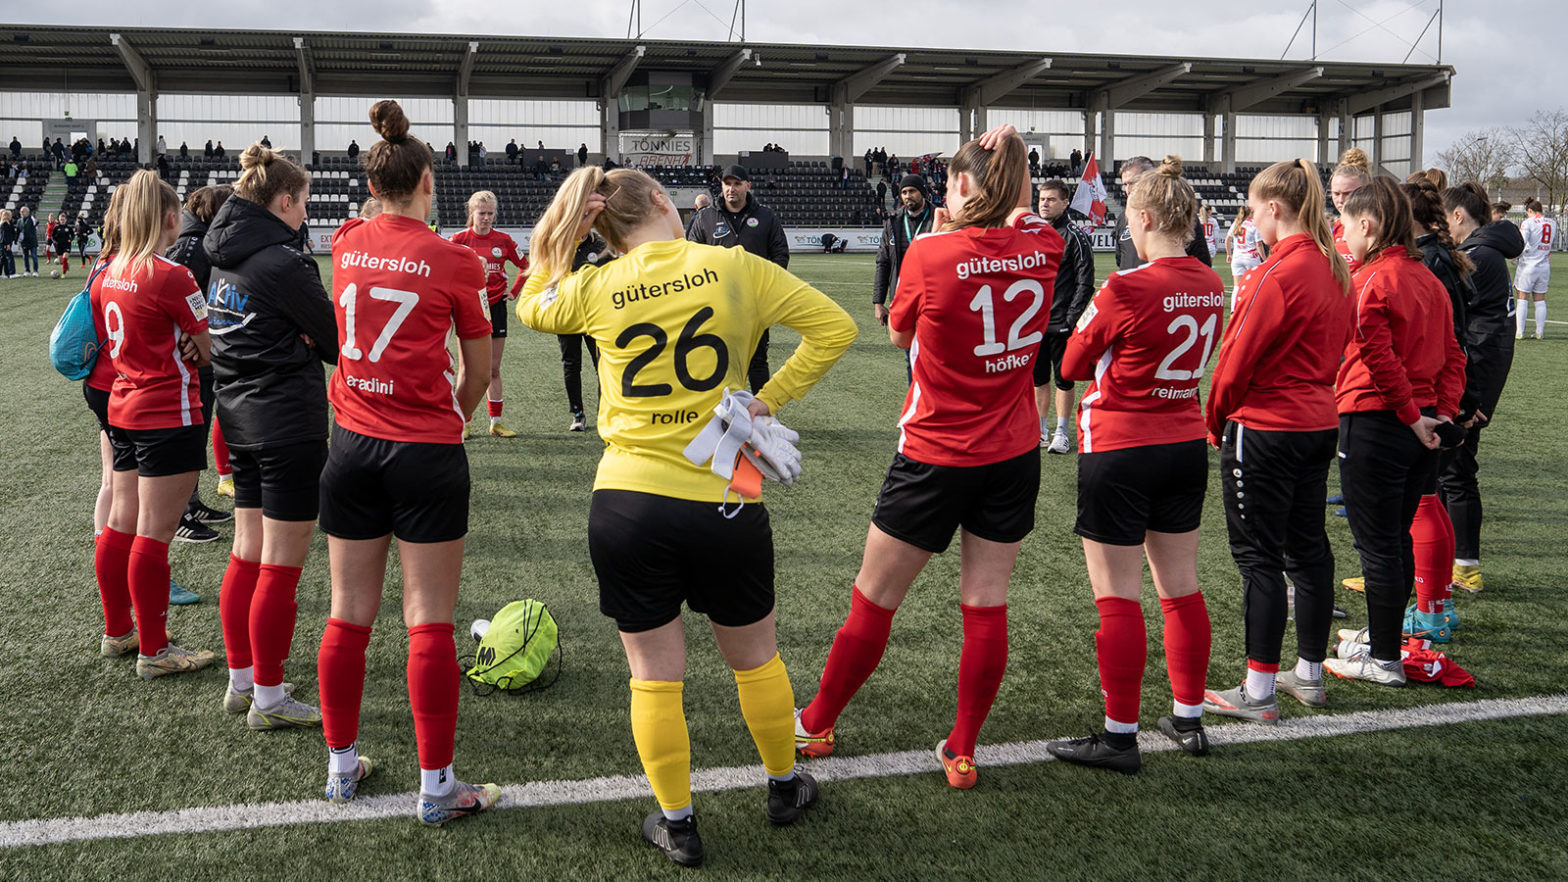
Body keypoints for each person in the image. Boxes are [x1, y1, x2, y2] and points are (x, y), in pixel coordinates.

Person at [516, 161, 855, 867]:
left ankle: (679, 823)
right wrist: (768, 399)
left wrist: (563, 233)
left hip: (625, 503)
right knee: (756, 659)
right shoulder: (732, 266)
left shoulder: (594, 284)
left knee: (653, 674)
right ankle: (784, 787)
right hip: (722, 498)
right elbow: (836, 328)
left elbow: (531, 300)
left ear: (603, 230)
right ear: (665, 201)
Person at [795, 125, 1060, 791]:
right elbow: (1019, 210)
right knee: (986, 601)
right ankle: (963, 748)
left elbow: (898, 333)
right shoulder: (1045, 244)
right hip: (1013, 453)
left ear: (965, 185)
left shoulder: (931, 255)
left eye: (949, 180)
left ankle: (819, 722)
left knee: (875, 598)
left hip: (935, 452)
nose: (942, 190)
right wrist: (1013, 154)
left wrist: (942, 239)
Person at [316, 100, 499, 824]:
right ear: (428, 181)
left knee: (347, 616)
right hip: (425, 451)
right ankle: (437, 787)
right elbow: (480, 373)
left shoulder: (346, 240)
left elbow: (363, 240)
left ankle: (340, 769)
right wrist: (450, 407)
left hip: (352, 446)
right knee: (428, 623)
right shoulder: (456, 259)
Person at [1044, 155, 1223, 773]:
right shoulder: (1211, 282)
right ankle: (1189, 718)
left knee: (1118, 596)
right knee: (1181, 588)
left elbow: (1069, 363)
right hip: (1183, 442)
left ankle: (1120, 735)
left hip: (1121, 445)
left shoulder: (1125, 285)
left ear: (1142, 219)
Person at [1200, 159, 1353, 725]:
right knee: (1307, 546)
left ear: (1273, 208)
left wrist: (1215, 419)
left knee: (1259, 557)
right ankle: (1308, 674)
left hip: (1264, 426)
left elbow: (1236, 359)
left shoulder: (1277, 272)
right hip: (1318, 419)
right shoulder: (1336, 269)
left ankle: (1259, 687)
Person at [203, 146, 339, 727]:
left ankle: (242, 683)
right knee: (279, 570)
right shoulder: (283, 261)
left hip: (237, 417)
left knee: (246, 555)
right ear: (284, 201)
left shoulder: (224, 253)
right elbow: (334, 341)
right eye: (304, 202)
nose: (305, 213)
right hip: (285, 423)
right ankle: (269, 697)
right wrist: (301, 344)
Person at [1326, 177, 1466, 686]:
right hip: (1421, 423)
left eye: (1343, 223)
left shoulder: (1371, 281)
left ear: (1366, 225)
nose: (1341, 232)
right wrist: (1441, 416)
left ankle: (1385, 659)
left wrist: (1413, 415)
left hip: (1379, 420)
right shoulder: (1427, 278)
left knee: (1379, 545)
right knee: (1395, 541)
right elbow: (1454, 357)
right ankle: (1387, 641)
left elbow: (1375, 358)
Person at [91, 169, 218, 678]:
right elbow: (208, 347)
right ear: (170, 219)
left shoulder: (107, 270)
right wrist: (194, 345)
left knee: (120, 523)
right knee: (154, 534)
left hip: (121, 406)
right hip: (169, 411)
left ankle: (118, 631)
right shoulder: (171, 275)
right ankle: (156, 650)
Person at [1441, 182, 1522, 593]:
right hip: (1477, 378)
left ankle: (1462, 567)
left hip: (1472, 381)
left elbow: (1481, 337)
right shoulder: (1486, 252)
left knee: (1454, 471)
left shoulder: (1478, 256)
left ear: (1458, 216)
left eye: (1445, 218)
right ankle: (1455, 564)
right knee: (1449, 472)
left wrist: (1471, 395)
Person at [685, 164, 789, 393]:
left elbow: (780, 254)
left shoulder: (766, 217)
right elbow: (690, 259)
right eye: (727, 184)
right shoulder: (705, 218)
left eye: (737, 184)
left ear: (747, 186)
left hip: (755, 304)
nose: (731, 189)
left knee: (757, 360)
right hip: (716, 305)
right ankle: (721, 416)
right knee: (718, 362)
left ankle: (763, 415)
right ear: (721, 186)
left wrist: (767, 290)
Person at [447, 191, 529, 438]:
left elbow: (526, 267)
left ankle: (496, 422)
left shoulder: (504, 241)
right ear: (471, 213)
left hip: (496, 307)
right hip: (470, 307)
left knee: (493, 368)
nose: (486, 218)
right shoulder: (458, 240)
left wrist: (513, 292)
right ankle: (464, 422)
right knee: (466, 368)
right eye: (481, 213)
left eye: (490, 213)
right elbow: (444, 270)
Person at [1035, 178, 1095, 455]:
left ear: (1064, 202)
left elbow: (1086, 282)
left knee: (1063, 379)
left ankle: (1062, 432)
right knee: (1038, 379)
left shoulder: (1075, 235)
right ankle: (1040, 429)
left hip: (1061, 322)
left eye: (1050, 199)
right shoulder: (1032, 232)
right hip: (1034, 324)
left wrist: (1070, 319)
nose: (1044, 204)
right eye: (1041, 199)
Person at [1114, 156, 1210, 269]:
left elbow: (1201, 261)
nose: (1127, 190)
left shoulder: (1179, 214)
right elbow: (1121, 259)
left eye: (1133, 183)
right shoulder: (1123, 218)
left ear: (1150, 180)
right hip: (1131, 284)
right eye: (1125, 184)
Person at [556, 232, 609, 431]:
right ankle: (578, 414)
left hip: (595, 316)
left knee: (603, 365)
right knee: (571, 365)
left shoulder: (602, 244)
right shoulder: (559, 245)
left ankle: (604, 413)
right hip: (567, 316)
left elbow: (611, 277)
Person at [1515, 197, 1553, 340]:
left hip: (1528, 265)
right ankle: (1539, 332)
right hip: (1544, 265)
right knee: (1540, 299)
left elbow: (1522, 242)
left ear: (1530, 210)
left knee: (1523, 297)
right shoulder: (1552, 223)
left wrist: (1515, 256)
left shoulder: (1528, 222)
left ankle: (1519, 332)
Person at [1330, 148, 1372, 269]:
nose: (1341, 200)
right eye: (1336, 194)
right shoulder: (1335, 228)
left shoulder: (1377, 229)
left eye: (1348, 194)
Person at [1226, 205, 1263, 305]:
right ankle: (1253, 306)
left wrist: (1229, 254)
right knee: (1255, 284)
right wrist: (1264, 258)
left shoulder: (1236, 223)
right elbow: (1258, 244)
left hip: (1237, 258)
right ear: (1250, 213)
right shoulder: (1254, 224)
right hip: (1251, 257)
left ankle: (1234, 310)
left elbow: (1227, 240)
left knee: (1237, 286)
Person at [50, 212, 74, 277]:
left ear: (66, 220)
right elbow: (52, 236)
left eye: (63, 219)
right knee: (61, 262)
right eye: (61, 219)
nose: (62, 221)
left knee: (64, 258)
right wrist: (54, 241)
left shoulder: (68, 228)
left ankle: (63, 274)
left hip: (67, 245)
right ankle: (66, 264)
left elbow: (73, 235)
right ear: (59, 220)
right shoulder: (56, 227)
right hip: (59, 246)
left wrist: (70, 239)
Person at [18, 206, 39, 277]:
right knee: (25, 257)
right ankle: (27, 271)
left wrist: (37, 222)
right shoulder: (19, 220)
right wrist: (16, 240)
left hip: (32, 241)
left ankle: (35, 271)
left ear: (27, 212)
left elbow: (36, 222)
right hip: (24, 242)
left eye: (22, 211)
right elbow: (18, 230)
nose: (21, 212)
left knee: (34, 256)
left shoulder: (31, 218)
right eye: (20, 211)